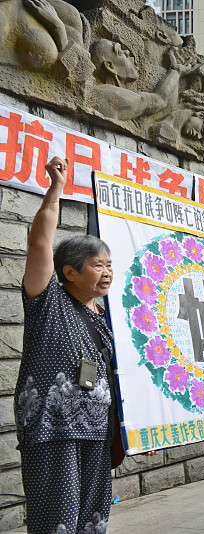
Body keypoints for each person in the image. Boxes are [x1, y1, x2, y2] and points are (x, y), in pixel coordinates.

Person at [14, 156, 116, 534]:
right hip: (52, 429)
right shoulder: (47, 300)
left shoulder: (105, 319)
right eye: (97, 265)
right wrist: (56, 190)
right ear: (70, 271)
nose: (107, 272)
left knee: (93, 518)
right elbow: (40, 240)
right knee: (57, 519)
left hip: (96, 431)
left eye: (109, 264)